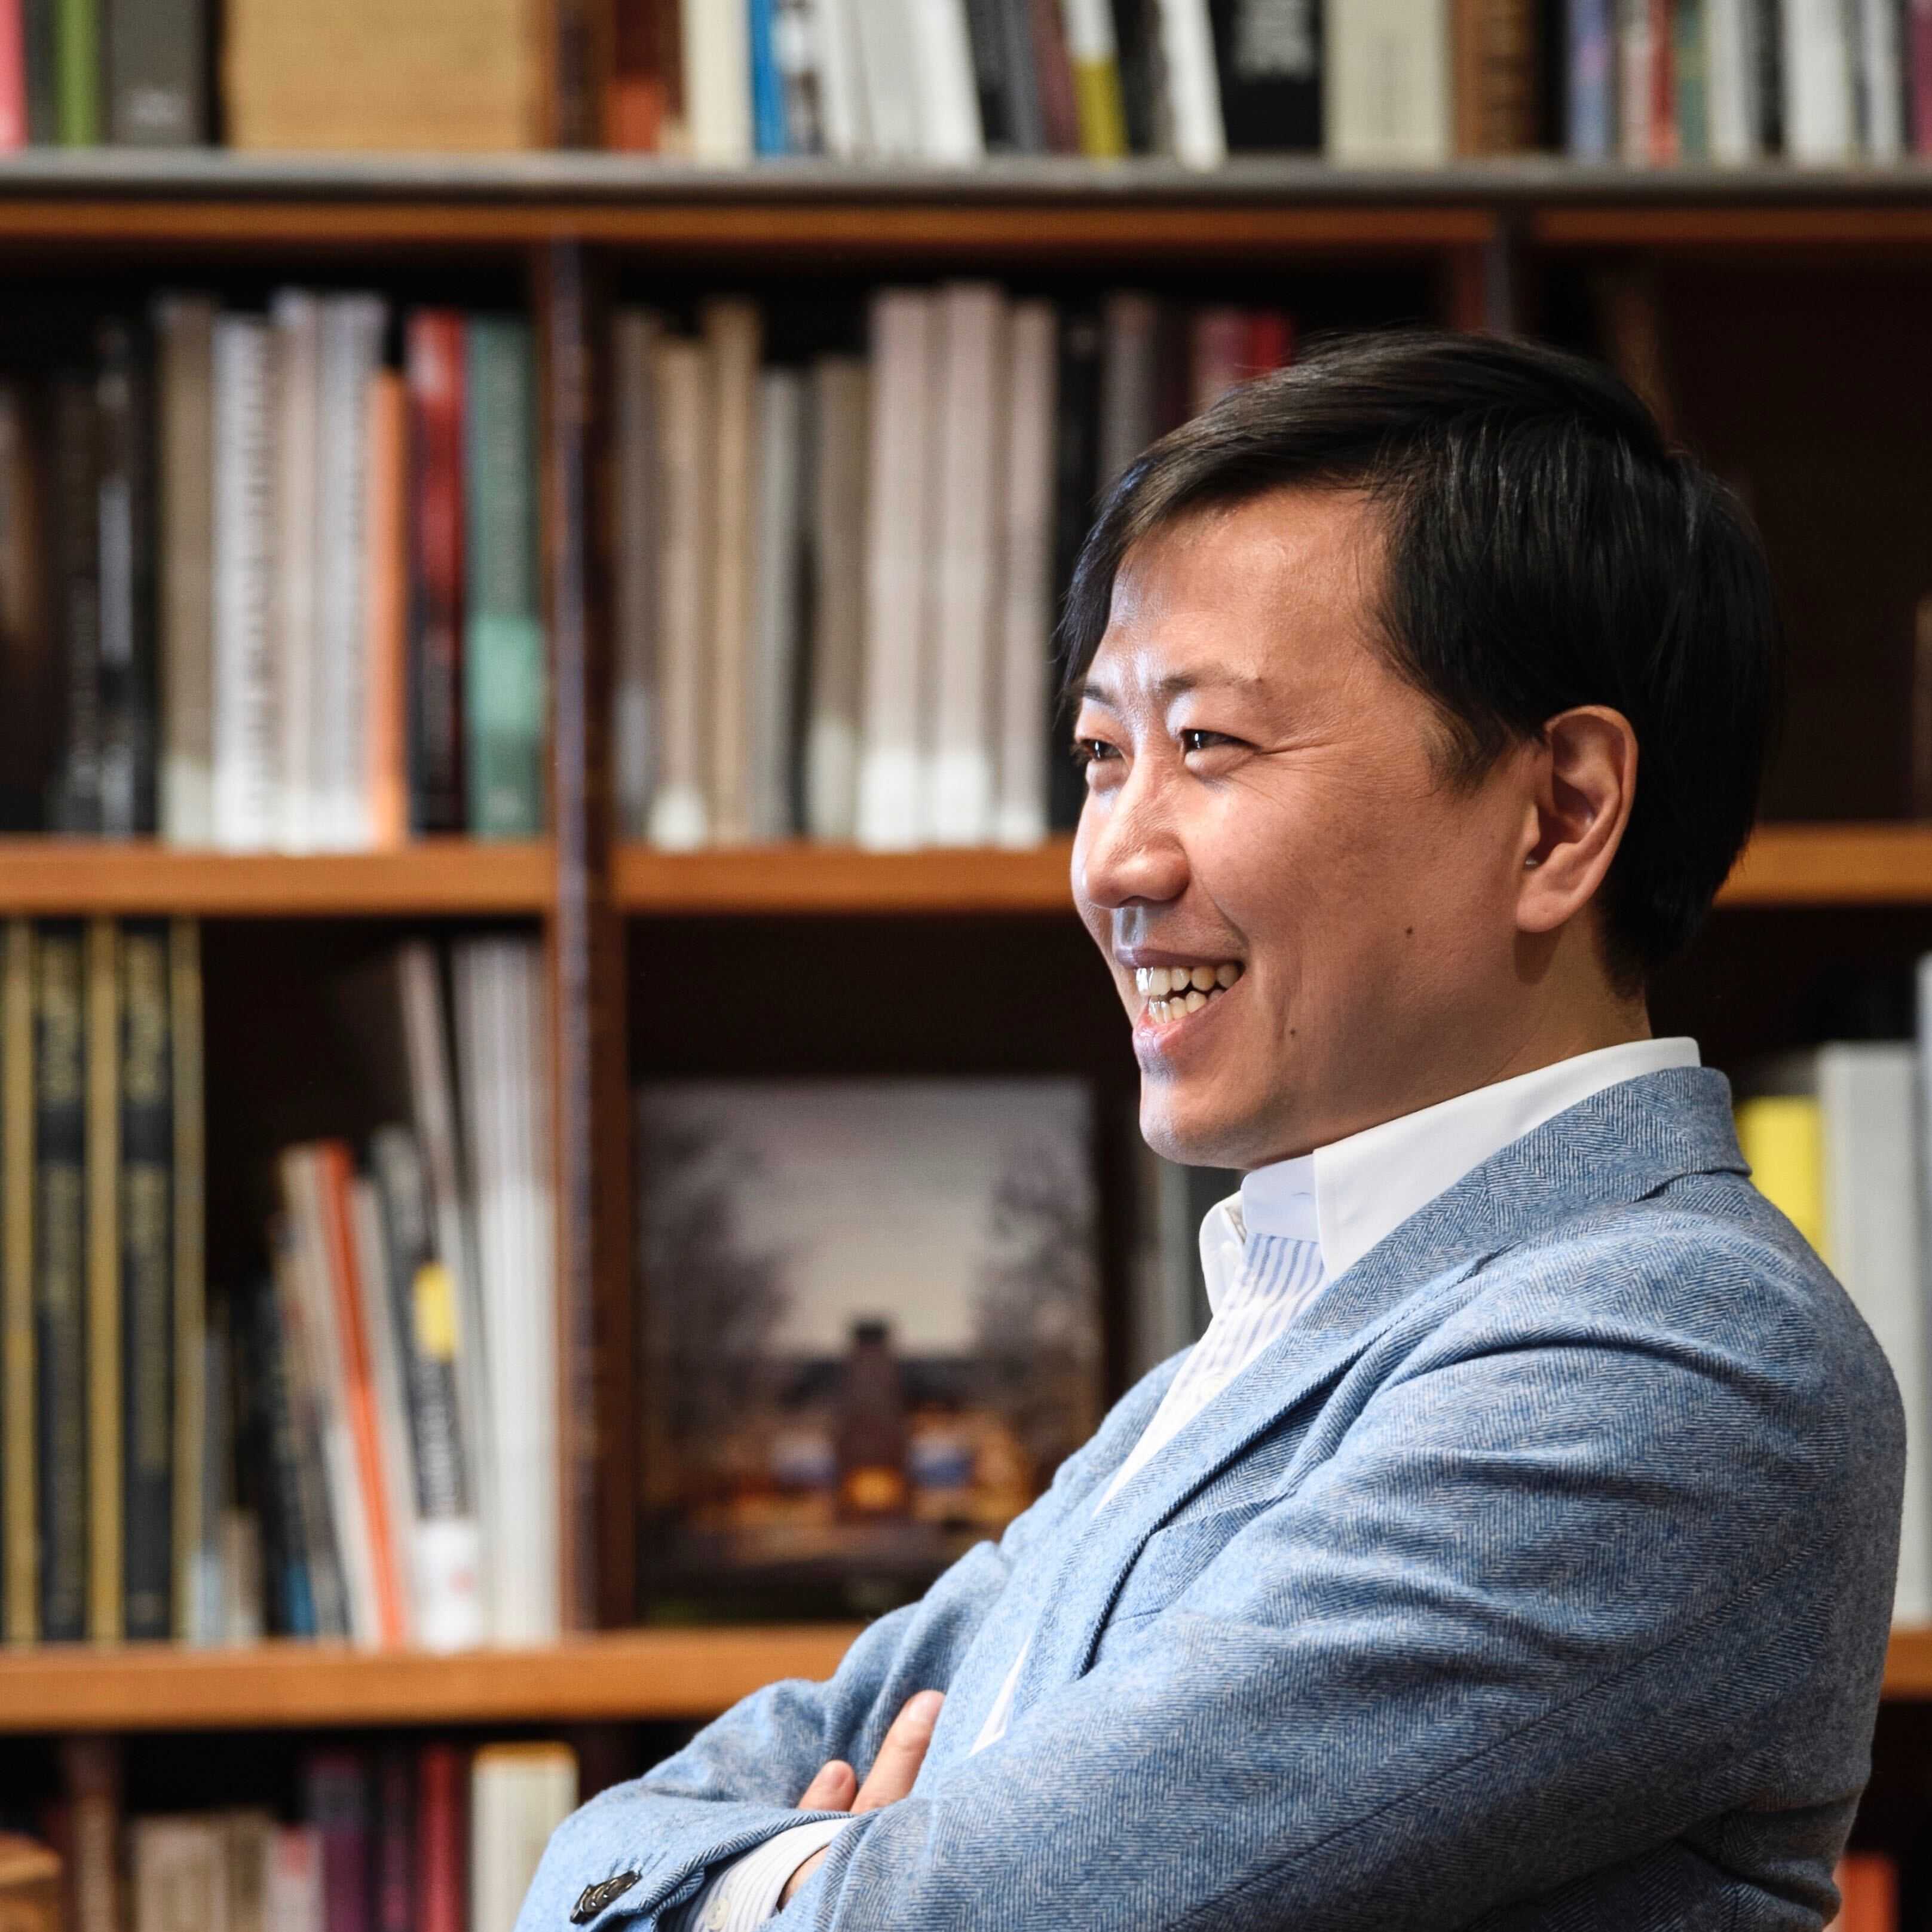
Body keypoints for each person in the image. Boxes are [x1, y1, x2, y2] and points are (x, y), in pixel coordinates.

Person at [518, 330, 1904, 1931]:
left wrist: (791, 1881)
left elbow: (953, 1915)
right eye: (1101, 754)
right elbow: (597, 1855)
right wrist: (816, 1882)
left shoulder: (1677, 1351)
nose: (1115, 858)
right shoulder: (1242, 1351)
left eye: (1205, 745)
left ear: (1560, 812)